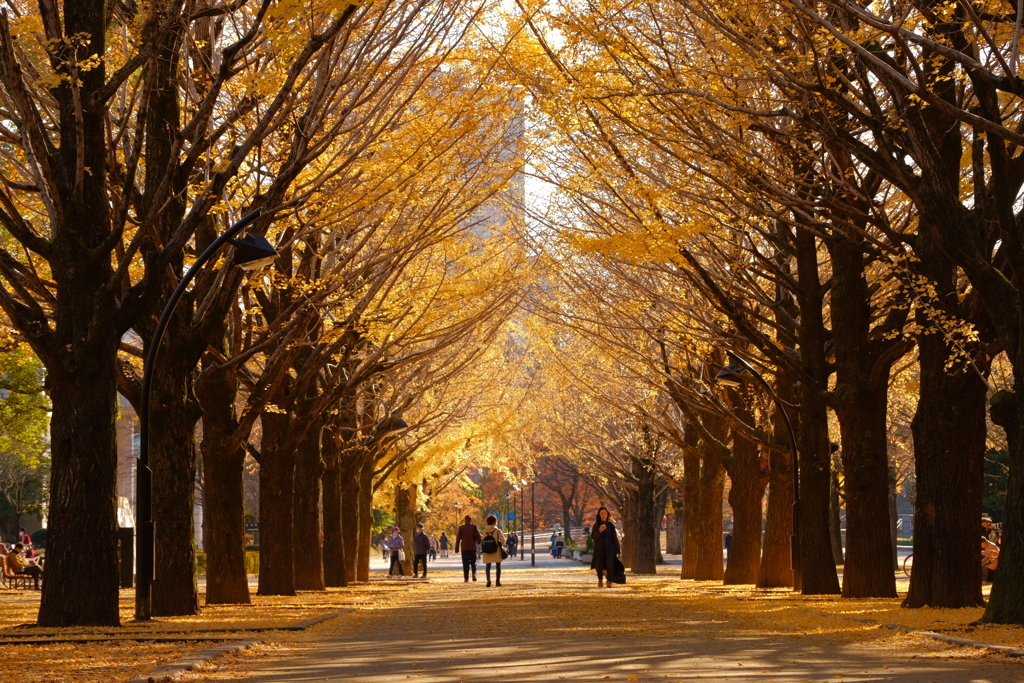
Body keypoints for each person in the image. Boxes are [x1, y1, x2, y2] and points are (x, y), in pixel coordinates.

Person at [590, 507, 621, 588]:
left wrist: (618, 550)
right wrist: (599, 531)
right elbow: (593, 536)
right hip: (599, 549)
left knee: (610, 565)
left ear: (607, 514)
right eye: (601, 514)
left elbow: (614, 538)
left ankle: (609, 581)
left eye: (605, 513)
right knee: (599, 566)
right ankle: (600, 580)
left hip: (610, 548)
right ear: (599, 515)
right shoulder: (596, 525)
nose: (603, 515)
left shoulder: (611, 526)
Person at [480, 514, 506, 587]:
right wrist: (499, 543)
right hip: (496, 550)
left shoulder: (485, 531)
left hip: (487, 550)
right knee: (498, 565)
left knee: (488, 565)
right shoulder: (497, 530)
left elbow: (482, 540)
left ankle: (488, 580)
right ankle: (498, 581)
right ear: (495, 522)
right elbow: (503, 541)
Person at [454, 515, 482, 582]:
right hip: (472, 547)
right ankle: (474, 573)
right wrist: (478, 542)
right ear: (471, 520)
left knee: (465, 563)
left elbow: (458, 538)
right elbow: (479, 536)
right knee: (473, 562)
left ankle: (466, 578)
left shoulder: (461, 528)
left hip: (464, 548)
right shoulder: (474, 527)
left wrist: (456, 548)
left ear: (465, 520)